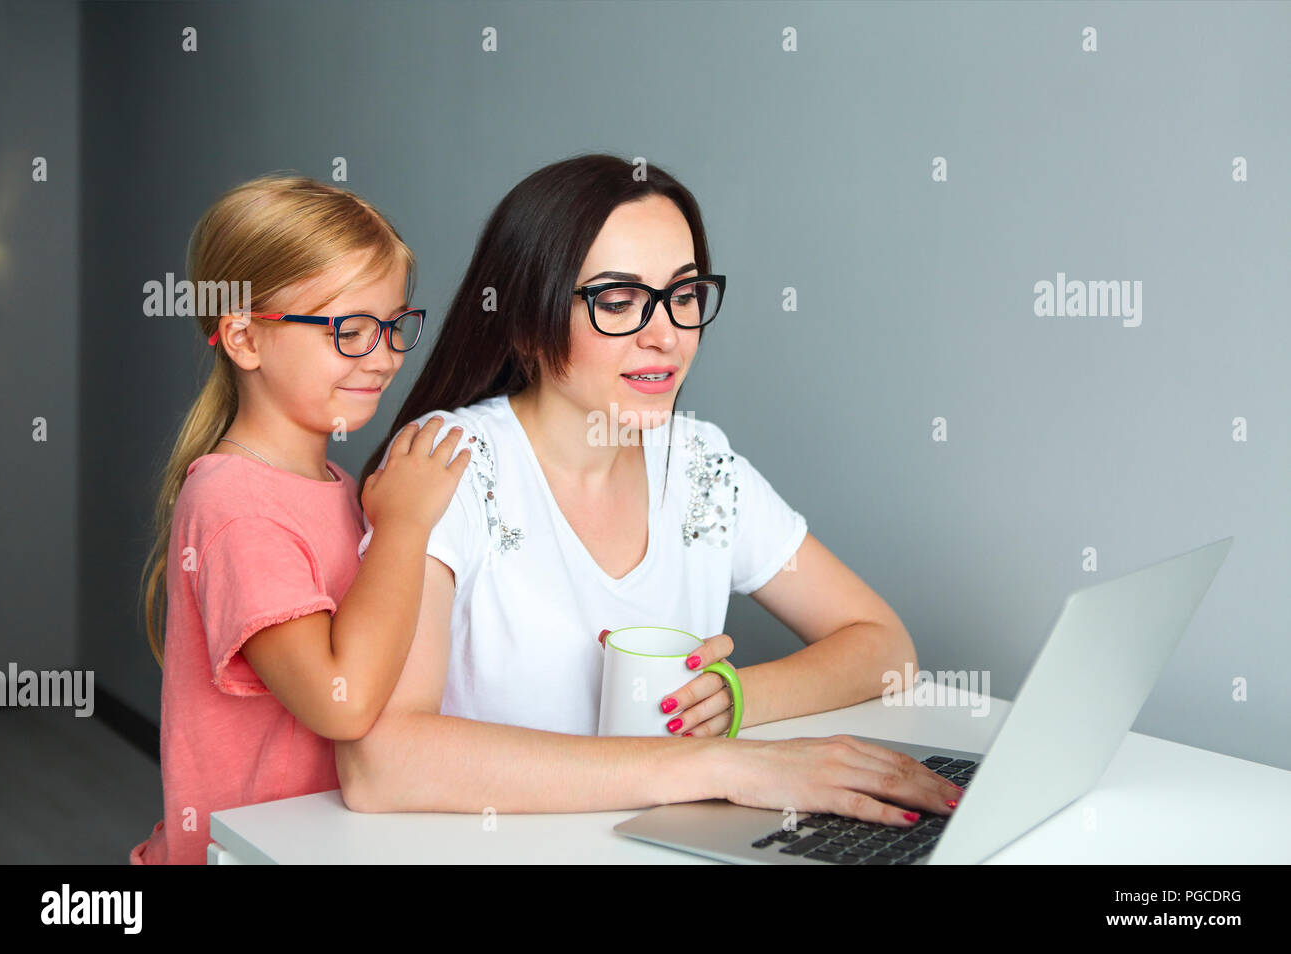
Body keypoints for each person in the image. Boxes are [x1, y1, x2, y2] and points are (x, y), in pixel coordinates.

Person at [341, 154, 963, 825]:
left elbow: (882, 645)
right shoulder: (452, 465)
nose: (666, 335)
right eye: (618, 302)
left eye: (685, 295)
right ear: (526, 323)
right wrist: (721, 765)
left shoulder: (699, 466)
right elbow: (380, 763)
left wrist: (735, 695)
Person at [130, 174, 470, 863]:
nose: (385, 357)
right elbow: (340, 702)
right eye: (349, 330)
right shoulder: (234, 503)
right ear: (245, 339)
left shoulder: (340, 487)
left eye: (394, 326)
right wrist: (403, 528)